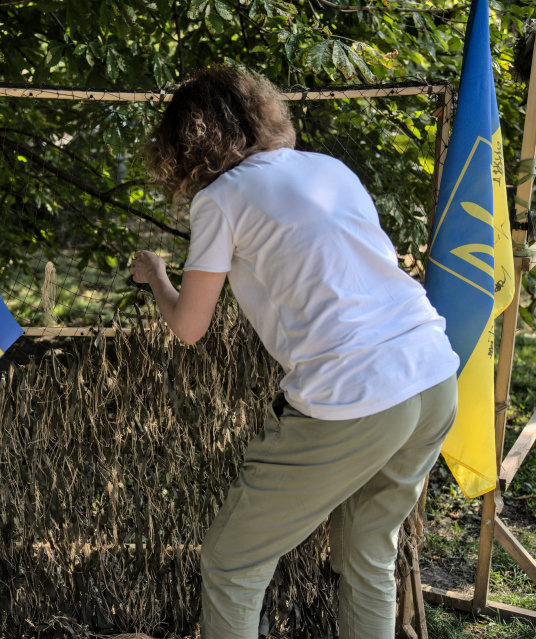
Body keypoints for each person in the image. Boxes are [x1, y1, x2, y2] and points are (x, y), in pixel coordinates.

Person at [129, 67, 460, 639]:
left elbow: (188, 326)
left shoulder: (220, 199)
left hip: (356, 394)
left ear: (186, 144)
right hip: (432, 373)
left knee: (232, 561)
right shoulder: (329, 169)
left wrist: (157, 275)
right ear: (263, 114)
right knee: (368, 554)